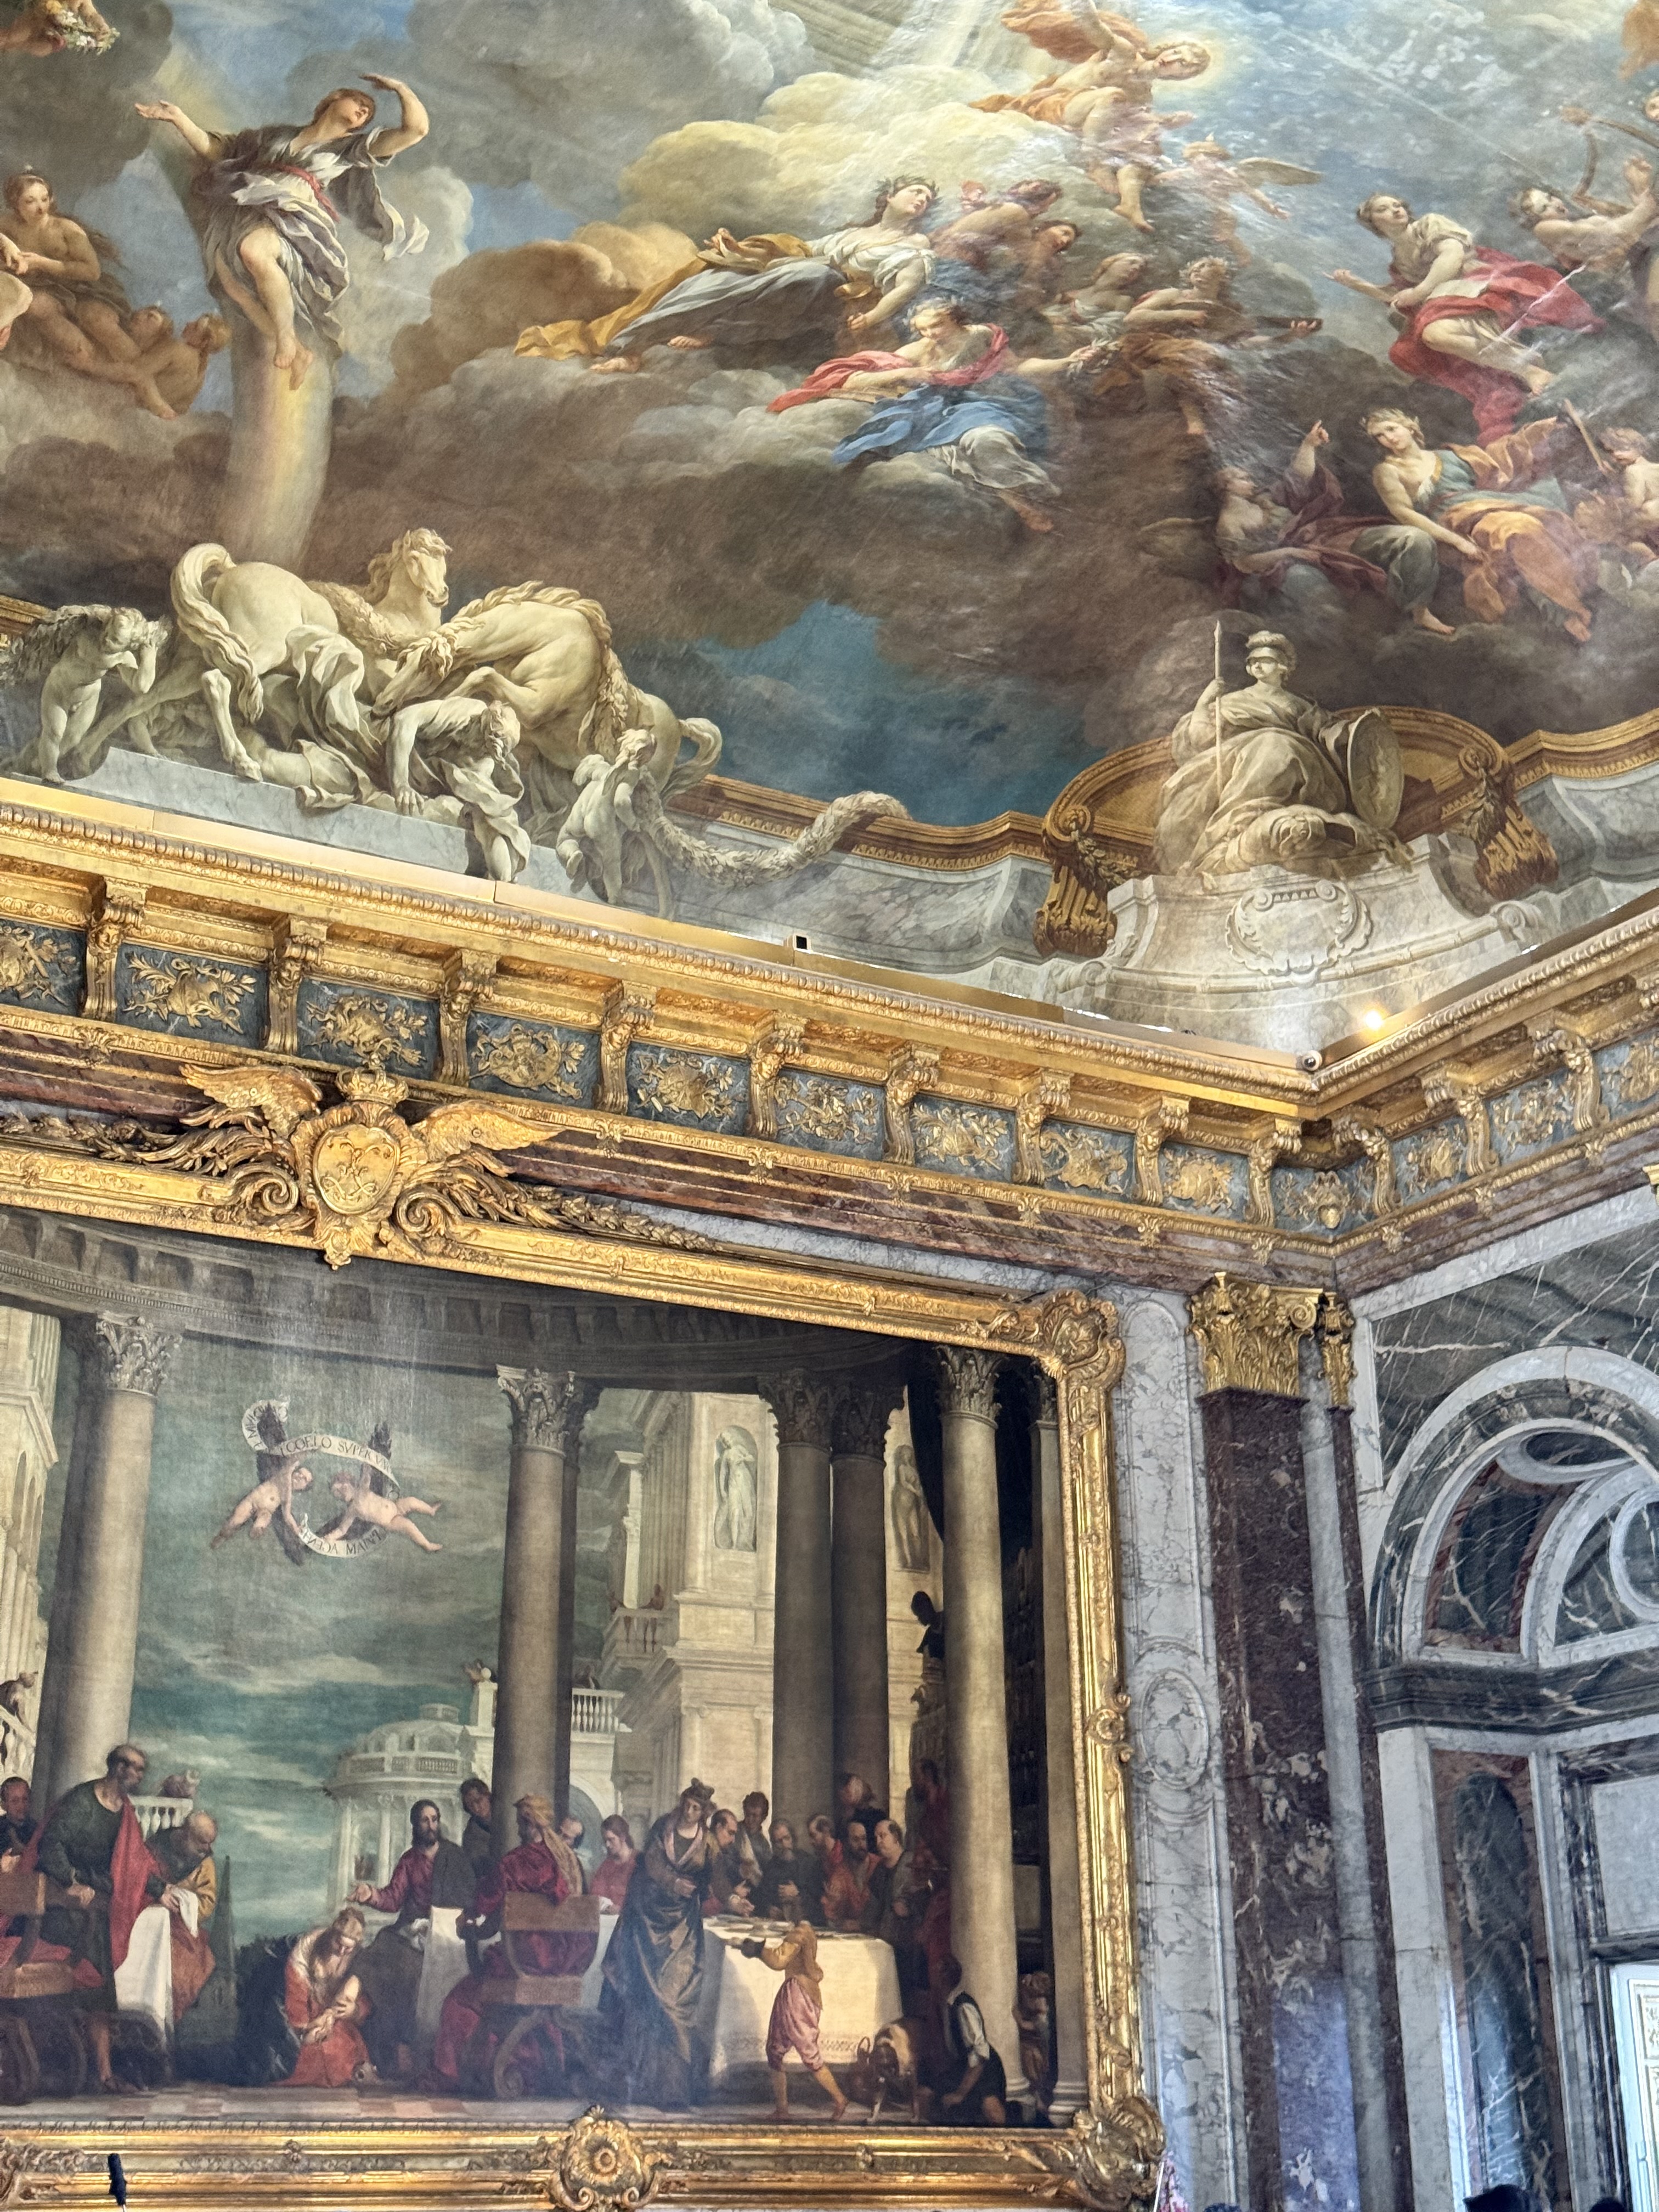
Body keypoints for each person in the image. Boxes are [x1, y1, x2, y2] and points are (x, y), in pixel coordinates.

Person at [136, 77, 429, 387]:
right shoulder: (277, 135)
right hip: (243, 208)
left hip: (290, 214)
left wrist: (401, 89)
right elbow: (220, 151)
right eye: (359, 102)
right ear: (335, 98)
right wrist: (178, 118)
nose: (364, 111)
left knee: (253, 251)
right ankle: (299, 352)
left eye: (367, 113)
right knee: (234, 288)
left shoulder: (349, 149)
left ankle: (287, 339)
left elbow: (416, 131)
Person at [520, 180, 939, 373]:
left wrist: (871, 317)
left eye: (927, 197)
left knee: (811, 276)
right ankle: (628, 349)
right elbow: (799, 251)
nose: (921, 199)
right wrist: (739, 251)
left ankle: (714, 330)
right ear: (889, 196)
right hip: (796, 277)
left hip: (837, 300)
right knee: (713, 279)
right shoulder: (852, 234)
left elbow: (904, 288)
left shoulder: (916, 246)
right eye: (915, 191)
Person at [1328, 193, 1601, 440]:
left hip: (1476, 282)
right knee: (1422, 341)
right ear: (1373, 223)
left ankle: (1529, 369)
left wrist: (1421, 290)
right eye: (1383, 209)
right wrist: (1359, 286)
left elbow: (1452, 257)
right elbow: (1401, 295)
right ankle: (1525, 368)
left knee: (1434, 333)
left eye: (1397, 204)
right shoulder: (1399, 258)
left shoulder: (1429, 224)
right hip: (1446, 297)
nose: (1395, 210)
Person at [1153, 629, 1402, 877]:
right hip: (1235, 759)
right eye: (1253, 661)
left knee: (1275, 744)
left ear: (1282, 667)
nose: (1257, 666)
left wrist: (1359, 729)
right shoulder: (1231, 701)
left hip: (1301, 765)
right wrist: (1203, 703)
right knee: (1272, 744)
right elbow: (1200, 738)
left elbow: (1328, 734)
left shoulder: (1299, 705)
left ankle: (1249, 819)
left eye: (1265, 660)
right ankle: (1234, 827)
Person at [1364, 405, 1600, 643]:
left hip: (1485, 504)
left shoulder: (1448, 456)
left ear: (1409, 426)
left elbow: (1498, 465)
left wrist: (1541, 430)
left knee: (1536, 525)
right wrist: (1459, 542)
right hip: (1453, 522)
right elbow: (1404, 514)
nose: (1388, 438)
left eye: (1391, 429)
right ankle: (1564, 612)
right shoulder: (1388, 470)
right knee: (1519, 529)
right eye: (1380, 436)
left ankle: (1561, 607)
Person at [1211, 421, 1449, 634]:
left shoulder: (1266, 500)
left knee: (1415, 538)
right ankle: (1377, 631)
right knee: (1321, 597)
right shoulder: (1229, 524)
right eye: (1243, 478)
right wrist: (1291, 552)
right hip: (1285, 567)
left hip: (1325, 538)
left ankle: (1418, 611)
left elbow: (1298, 479)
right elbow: (1244, 563)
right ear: (1227, 486)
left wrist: (1309, 445)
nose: (1251, 482)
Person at [428, 1794, 589, 2092]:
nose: (517, 1830)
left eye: (519, 1824)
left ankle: (457, 2071)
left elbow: (486, 1906)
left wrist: (467, 1922)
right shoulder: (569, 1862)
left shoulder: (515, 1863)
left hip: (525, 1963)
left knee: (462, 1997)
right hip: (563, 1963)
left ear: (529, 1824)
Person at [35, 1741, 154, 2094]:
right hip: (61, 1910)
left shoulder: (124, 1812)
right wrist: (70, 1880)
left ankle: (103, 2074)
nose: (137, 1775)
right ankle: (61, 2067)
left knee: (101, 1994)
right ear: (116, 1767)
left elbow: (135, 1865)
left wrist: (162, 1890)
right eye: (132, 1767)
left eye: (141, 1769)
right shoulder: (83, 1801)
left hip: (94, 1913)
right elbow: (51, 1844)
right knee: (74, 1989)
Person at [599, 1778, 719, 2107]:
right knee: (646, 2001)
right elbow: (650, 1864)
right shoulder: (663, 1828)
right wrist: (673, 1882)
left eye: (697, 1809)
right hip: (648, 1920)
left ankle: (675, 2090)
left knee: (673, 2003)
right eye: (688, 1805)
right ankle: (645, 2085)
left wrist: (731, 1897)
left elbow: (713, 1879)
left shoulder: (708, 1842)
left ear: (704, 1813)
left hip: (683, 1929)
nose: (690, 1812)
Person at [350, 1799, 477, 2080]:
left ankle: (414, 2050)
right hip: (412, 1930)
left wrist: (441, 1921)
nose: (431, 1826)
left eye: (434, 1819)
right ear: (415, 1825)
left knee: (413, 1974)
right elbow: (393, 1898)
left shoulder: (454, 1856)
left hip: (448, 1933)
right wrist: (370, 1895)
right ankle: (382, 2049)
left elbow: (470, 1897)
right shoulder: (409, 1860)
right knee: (371, 1960)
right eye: (424, 1820)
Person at [739, 1919, 849, 2121]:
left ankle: (840, 2099)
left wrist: (757, 1950)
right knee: (775, 2050)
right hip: (793, 1993)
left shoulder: (799, 1934)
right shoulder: (806, 1930)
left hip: (798, 1996)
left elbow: (779, 1961)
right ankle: (782, 2109)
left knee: (808, 2052)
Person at [280, 1906, 373, 2086]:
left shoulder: (358, 1958)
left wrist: (354, 2011)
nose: (342, 1951)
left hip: (339, 2017)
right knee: (311, 2054)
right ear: (332, 1934)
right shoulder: (309, 1948)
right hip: (309, 2013)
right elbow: (296, 1991)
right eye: (339, 1944)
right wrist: (305, 2028)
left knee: (344, 2049)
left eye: (348, 1948)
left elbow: (363, 1994)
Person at [149, 1809, 219, 2019]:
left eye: (210, 1843)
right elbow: (140, 1876)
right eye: (202, 1843)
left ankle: (167, 2019)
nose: (208, 1849)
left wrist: (180, 1900)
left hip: (180, 1928)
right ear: (186, 1834)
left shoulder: (205, 1864)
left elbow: (207, 1903)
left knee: (184, 1971)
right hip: (148, 1919)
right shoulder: (156, 1846)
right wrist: (158, 1894)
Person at [934, 1953, 1006, 2124]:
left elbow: (980, 2053)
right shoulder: (947, 2004)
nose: (931, 1977)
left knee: (991, 2111)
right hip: (965, 2065)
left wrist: (960, 2094)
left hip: (984, 2069)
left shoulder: (963, 2006)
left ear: (945, 1978)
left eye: (936, 1972)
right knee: (934, 2093)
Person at [755, 1819, 814, 1920]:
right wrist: (768, 1909)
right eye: (779, 1841)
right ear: (774, 1844)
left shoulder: (808, 1863)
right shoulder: (771, 1867)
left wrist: (797, 1894)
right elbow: (761, 1898)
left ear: (793, 1838)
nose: (784, 1844)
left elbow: (817, 1899)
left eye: (787, 1838)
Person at [822, 1817, 874, 1931]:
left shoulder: (878, 1866)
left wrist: (861, 1924)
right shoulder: (840, 1873)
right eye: (855, 1840)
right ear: (846, 1843)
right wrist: (834, 1903)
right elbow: (832, 1921)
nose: (861, 1845)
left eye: (863, 1839)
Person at [705, 1809, 755, 1917]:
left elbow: (722, 1884)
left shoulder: (719, 1852)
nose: (733, 1840)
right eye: (730, 1833)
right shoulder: (706, 1848)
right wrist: (735, 1899)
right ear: (719, 1827)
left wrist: (736, 1902)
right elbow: (717, 1886)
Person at [591, 1815, 637, 1912]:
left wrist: (622, 1910)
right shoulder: (606, 1865)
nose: (607, 1845)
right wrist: (607, 1907)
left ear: (623, 1837)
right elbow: (596, 1894)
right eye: (605, 1841)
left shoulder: (639, 1862)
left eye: (611, 1840)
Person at [459, 1779, 494, 1880]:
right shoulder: (470, 1836)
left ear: (487, 1796)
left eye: (478, 1800)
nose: (475, 1808)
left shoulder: (506, 1819)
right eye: (470, 1805)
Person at [736, 1792, 772, 1886]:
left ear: (763, 1818)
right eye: (748, 1815)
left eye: (755, 1816)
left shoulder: (764, 1844)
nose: (750, 1819)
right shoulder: (734, 1832)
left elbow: (767, 1871)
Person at [0, 1774, 35, 1863]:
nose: (21, 1806)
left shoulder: (38, 1830)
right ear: (3, 1805)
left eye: (25, 1799)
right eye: (15, 1801)